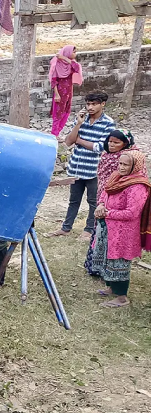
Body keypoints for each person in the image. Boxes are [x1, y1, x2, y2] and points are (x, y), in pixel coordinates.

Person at [49, 93, 116, 240]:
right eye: (88, 104)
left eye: (94, 104)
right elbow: (68, 141)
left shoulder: (108, 123)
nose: (90, 107)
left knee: (93, 201)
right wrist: (78, 124)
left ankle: (89, 229)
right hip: (77, 168)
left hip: (93, 169)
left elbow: (100, 147)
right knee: (74, 200)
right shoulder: (81, 118)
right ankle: (66, 228)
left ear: (102, 104)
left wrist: (79, 140)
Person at [92, 142, 150, 307]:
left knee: (119, 261)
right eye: (120, 163)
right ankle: (112, 288)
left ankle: (122, 297)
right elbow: (105, 192)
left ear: (135, 166)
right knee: (108, 258)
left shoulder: (138, 185)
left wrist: (108, 213)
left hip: (123, 232)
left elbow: (132, 213)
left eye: (126, 165)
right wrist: (101, 205)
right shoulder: (116, 177)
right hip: (109, 227)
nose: (122, 167)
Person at [85, 129, 137, 276]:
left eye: (116, 142)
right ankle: (95, 267)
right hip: (103, 196)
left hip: (119, 202)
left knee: (112, 235)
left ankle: (109, 272)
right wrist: (102, 200)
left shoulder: (130, 159)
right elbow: (103, 178)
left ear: (125, 143)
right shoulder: (106, 155)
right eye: (110, 141)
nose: (111, 145)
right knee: (100, 231)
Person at [49, 45, 83, 138]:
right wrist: (56, 94)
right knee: (58, 113)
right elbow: (53, 81)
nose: (75, 54)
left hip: (69, 92)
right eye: (73, 52)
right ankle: (54, 134)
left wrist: (64, 58)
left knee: (66, 113)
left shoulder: (71, 64)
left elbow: (77, 68)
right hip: (60, 92)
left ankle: (58, 132)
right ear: (68, 52)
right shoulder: (57, 64)